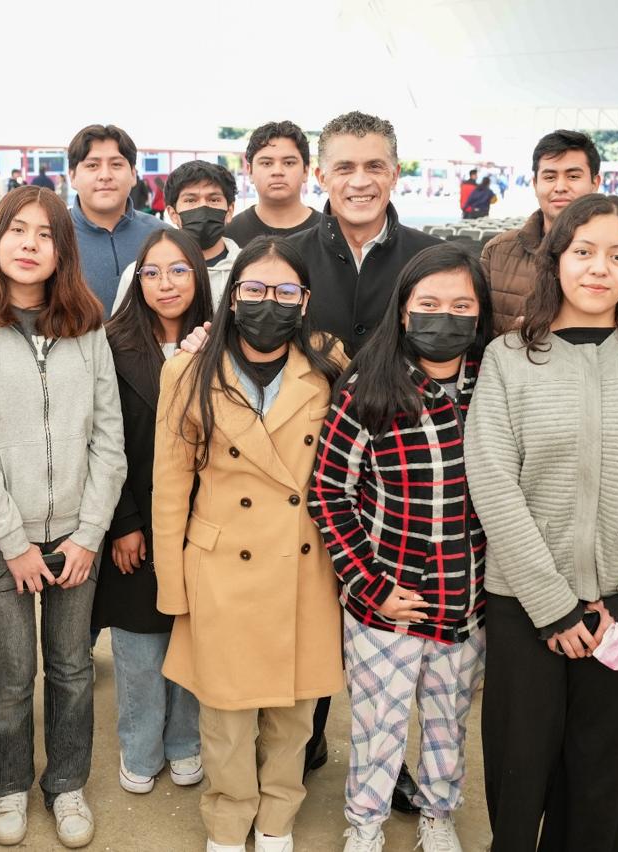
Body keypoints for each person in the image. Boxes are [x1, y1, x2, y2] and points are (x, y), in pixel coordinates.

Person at [464, 194, 618, 852]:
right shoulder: (511, 357)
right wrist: (552, 607)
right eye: (584, 252)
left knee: (599, 779)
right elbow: (493, 483)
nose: (599, 268)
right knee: (519, 774)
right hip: (525, 606)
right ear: (557, 260)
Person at [0, 185, 126, 849]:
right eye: (17, 230)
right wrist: (12, 542)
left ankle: (67, 784)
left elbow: (109, 437)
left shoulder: (87, 321)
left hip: (78, 534)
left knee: (72, 670)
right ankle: (9, 785)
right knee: (13, 674)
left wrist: (89, 535)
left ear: (61, 251)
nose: (29, 245)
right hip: (0, 540)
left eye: (45, 235)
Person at [153, 236, 346, 852]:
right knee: (226, 715)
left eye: (286, 291)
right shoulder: (187, 366)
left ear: (305, 300)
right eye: (256, 289)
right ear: (232, 298)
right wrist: (173, 583)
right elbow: (169, 483)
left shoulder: (327, 364)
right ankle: (229, 824)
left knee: (293, 715)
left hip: (303, 562)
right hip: (220, 563)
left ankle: (277, 822)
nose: (271, 302)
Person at [309, 243, 494, 852]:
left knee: (447, 721)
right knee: (378, 723)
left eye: (461, 305)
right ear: (406, 310)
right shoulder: (370, 386)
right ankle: (365, 824)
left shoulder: (493, 388)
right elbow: (329, 491)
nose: (446, 318)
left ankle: (438, 813)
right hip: (385, 601)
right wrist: (371, 584)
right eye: (431, 304)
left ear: (479, 312)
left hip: (464, 598)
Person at [93, 228, 213, 796]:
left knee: (193, 635)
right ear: (136, 281)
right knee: (140, 645)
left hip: (204, 521)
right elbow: (101, 441)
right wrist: (125, 522)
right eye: (152, 272)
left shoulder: (223, 341)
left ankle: (185, 742)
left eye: (179, 270)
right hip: (134, 517)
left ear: (200, 275)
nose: (166, 284)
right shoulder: (111, 344)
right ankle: (140, 746)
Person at [286, 111, 441, 355]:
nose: (360, 181)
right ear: (321, 178)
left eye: (374, 167)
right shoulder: (285, 257)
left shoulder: (436, 258)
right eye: (345, 168)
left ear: (395, 175)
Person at [481, 130, 602, 330]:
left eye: (573, 176)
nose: (560, 187)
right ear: (535, 184)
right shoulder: (498, 251)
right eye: (549, 177)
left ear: (594, 183)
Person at [112, 160, 240, 312]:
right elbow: (121, 331)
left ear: (230, 210)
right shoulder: (141, 274)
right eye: (190, 200)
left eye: (214, 200)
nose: (202, 208)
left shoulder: (250, 271)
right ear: (173, 214)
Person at [66, 123, 167, 315]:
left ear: (133, 174)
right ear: (73, 176)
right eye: (92, 165)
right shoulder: (51, 236)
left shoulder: (162, 236)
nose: (105, 175)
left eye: (116, 164)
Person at [226, 121, 322, 245]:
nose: (277, 172)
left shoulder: (330, 233)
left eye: (289, 163)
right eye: (266, 163)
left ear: (306, 171)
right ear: (250, 172)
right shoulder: (229, 236)